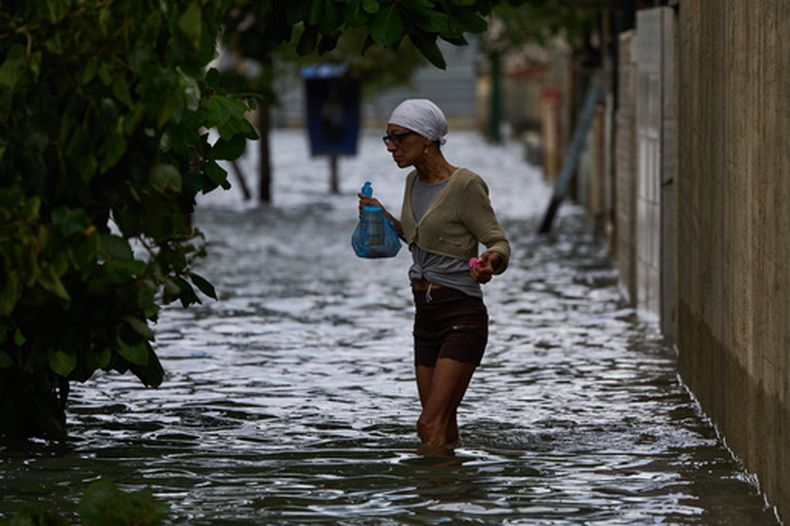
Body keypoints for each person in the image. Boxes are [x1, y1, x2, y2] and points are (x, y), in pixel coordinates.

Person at [357, 98, 511, 448]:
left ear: (427, 139)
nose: (391, 147)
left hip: (461, 316)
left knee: (429, 424)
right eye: (388, 139)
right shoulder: (412, 183)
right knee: (442, 426)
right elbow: (418, 239)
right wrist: (383, 217)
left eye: (399, 138)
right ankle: (451, 495)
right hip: (425, 318)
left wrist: (491, 262)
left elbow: (498, 242)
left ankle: (432, 498)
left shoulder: (465, 185)